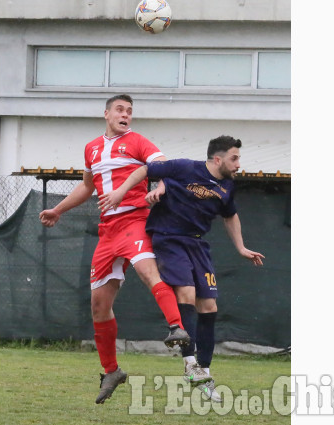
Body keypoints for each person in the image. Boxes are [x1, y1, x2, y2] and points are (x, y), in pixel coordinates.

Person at [39, 94, 190, 405]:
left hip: (136, 221)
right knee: (98, 305)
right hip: (108, 232)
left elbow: (162, 165)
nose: (126, 115)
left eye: (130, 111)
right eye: (120, 110)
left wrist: (161, 186)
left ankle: (177, 328)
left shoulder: (137, 142)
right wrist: (57, 210)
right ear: (106, 114)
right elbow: (87, 186)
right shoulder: (91, 148)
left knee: (149, 272)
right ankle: (111, 371)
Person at [98, 135, 265, 402]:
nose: (238, 164)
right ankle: (189, 364)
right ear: (218, 159)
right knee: (185, 293)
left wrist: (242, 248)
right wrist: (121, 192)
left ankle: (204, 373)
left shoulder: (226, 188)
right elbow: (146, 169)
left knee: (209, 307)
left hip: (198, 245)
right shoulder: (185, 167)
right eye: (234, 158)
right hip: (168, 238)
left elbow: (230, 215)